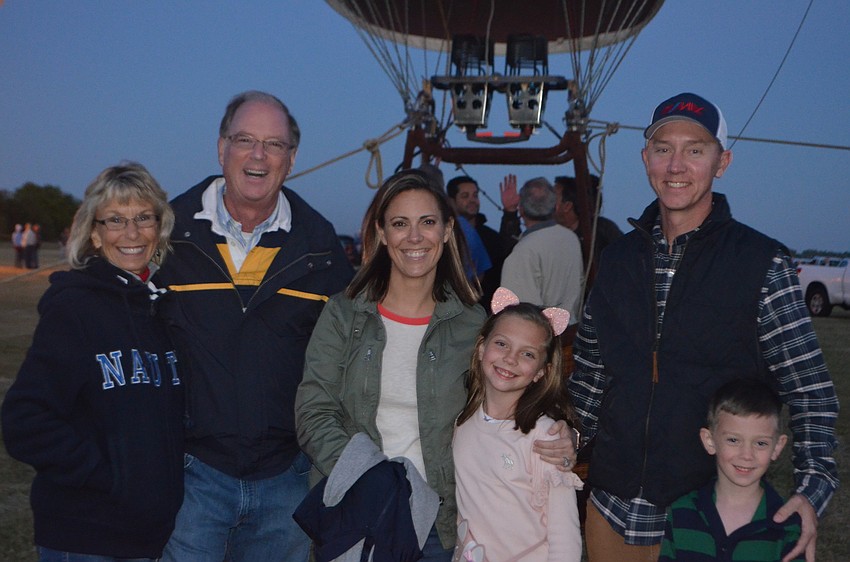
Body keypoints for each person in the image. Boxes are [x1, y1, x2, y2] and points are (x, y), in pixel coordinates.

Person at [568, 92, 838, 562]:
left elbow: (810, 391)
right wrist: (566, 437)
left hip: (708, 521)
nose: (676, 165)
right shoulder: (617, 260)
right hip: (609, 511)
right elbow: (590, 377)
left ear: (722, 162)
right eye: (663, 148)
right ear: (646, 158)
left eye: (695, 150)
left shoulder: (760, 264)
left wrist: (812, 489)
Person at [296, 170, 575, 561]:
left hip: (439, 523)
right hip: (357, 511)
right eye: (400, 224)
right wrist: (373, 479)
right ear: (382, 233)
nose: (414, 237)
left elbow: (512, 401)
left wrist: (562, 434)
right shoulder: (344, 315)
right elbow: (314, 412)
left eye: (427, 222)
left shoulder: (471, 324)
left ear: (446, 231)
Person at [156, 90, 353, 562]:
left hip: (286, 481)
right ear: (221, 147)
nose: (258, 155)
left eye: (274, 144)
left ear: (292, 158)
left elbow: (348, 359)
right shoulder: (165, 236)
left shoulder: (322, 249)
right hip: (191, 477)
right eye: (244, 139)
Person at [1, 163, 183, 561]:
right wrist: (106, 477)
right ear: (95, 234)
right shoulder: (74, 309)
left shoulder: (160, 310)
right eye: (115, 220)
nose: (132, 233)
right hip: (86, 535)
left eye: (143, 218)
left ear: (159, 228)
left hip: (146, 536)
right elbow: (24, 419)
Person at [454, 287, 583, 562]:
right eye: (502, 344)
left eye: (528, 354)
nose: (510, 359)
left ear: (541, 372)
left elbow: (565, 537)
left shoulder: (546, 437)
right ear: (481, 348)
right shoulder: (462, 422)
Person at [659, 379, 802, 562]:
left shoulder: (788, 525)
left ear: (777, 447)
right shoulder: (682, 512)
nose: (746, 455)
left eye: (760, 443)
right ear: (710, 441)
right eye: (733, 440)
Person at [500, 177, 583, 323]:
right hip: (570, 328)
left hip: (541, 333)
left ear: (521, 209)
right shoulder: (571, 238)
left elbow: (518, 311)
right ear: (555, 207)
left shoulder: (524, 250)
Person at [446, 175, 509, 312]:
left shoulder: (492, 238)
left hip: (487, 310)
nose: (472, 200)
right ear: (451, 201)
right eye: (465, 196)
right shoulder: (443, 236)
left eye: (475, 195)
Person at [553, 174, 623, 265]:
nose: (546, 201)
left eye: (552, 198)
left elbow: (625, 255)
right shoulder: (548, 233)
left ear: (567, 206)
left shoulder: (603, 230)